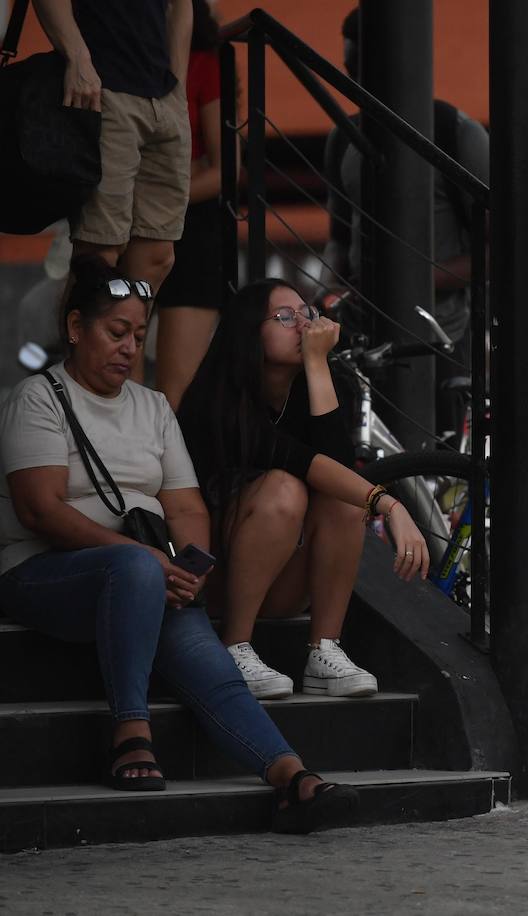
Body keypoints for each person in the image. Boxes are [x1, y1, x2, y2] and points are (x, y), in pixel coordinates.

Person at [0, 256, 357, 832]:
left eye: (139, 336)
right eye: (116, 332)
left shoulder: (153, 405)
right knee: (136, 571)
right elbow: (39, 508)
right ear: (74, 328)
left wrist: (190, 567)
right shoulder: (37, 397)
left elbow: (186, 505)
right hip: (45, 571)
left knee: (208, 663)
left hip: (142, 573)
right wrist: (143, 558)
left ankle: (291, 775)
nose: (129, 348)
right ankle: (130, 733)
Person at [177, 279, 429, 700]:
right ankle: (234, 647)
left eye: (307, 314)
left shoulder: (317, 386)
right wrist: (392, 506)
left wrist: (318, 367)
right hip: (211, 584)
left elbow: (339, 472)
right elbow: (301, 462)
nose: (304, 325)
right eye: (285, 317)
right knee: (285, 488)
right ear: (249, 332)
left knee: (343, 498)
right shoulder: (218, 397)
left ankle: (324, 650)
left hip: (282, 586)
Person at [323, 6, 490, 435]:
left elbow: (501, 248)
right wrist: (330, 297)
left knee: (444, 459)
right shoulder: (344, 136)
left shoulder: (455, 132)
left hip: (445, 335)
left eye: (363, 67)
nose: (353, 80)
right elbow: (339, 238)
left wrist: (414, 278)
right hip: (363, 332)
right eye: (348, 68)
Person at [32, 0, 194, 381]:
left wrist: (177, 87)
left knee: (156, 255)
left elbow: (181, 6)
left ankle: (121, 390)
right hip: (105, 87)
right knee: (99, 256)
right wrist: (78, 57)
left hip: (162, 94)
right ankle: (81, 388)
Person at [154, 0, 230, 410]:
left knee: (176, 391)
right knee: (111, 374)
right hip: (128, 216)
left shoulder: (205, 63)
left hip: (188, 221)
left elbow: (226, 170)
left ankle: (178, 474)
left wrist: (161, 200)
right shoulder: (111, 57)